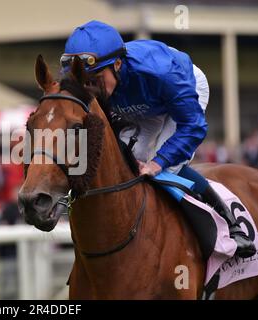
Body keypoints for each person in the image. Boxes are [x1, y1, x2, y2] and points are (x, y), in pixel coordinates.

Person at [60, 20, 256, 258]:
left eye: (95, 79)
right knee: (131, 165)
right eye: (82, 81)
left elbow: (193, 126)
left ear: (118, 64)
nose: (88, 88)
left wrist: (158, 163)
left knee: (164, 168)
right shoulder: (103, 78)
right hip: (142, 104)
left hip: (181, 91)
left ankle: (230, 222)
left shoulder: (162, 72)